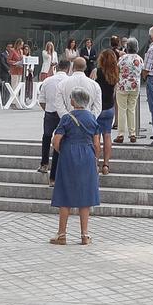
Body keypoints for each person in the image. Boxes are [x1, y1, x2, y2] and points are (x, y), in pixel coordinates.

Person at [49, 89, 104, 246]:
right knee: (85, 194)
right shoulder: (92, 119)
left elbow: (56, 140)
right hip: (87, 154)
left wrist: (63, 150)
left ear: (73, 101)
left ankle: (61, 234)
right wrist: (95, 159)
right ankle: (85, 235)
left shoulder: (66, 118)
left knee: (65, 193)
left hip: (69, 154)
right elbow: (96, 144)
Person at [38, 59, 72, 175]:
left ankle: (44, 164)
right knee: (60, 140)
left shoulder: (47, 81)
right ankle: (56, 169)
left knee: (46, 137)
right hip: (64, 114)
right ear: (68, 68)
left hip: (50, 112)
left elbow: (41, 100)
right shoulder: (69, 81)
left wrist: (47, 109)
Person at [95, 41, 119, 173]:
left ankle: (96, 163)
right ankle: (106, 164)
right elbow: (115, 91)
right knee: (107, 136)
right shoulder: (115, 73)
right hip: (109, 107)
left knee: (96, 136)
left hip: (98, 107)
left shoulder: (97, 71)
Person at [114, 38, 144, 144]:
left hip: (123, 85)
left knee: (122, 109)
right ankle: (132, 134)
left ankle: (121, 134)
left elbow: (117, 70)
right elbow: (141, 71)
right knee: (131, 109)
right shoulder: (139, 59)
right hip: (135, 85)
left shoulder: (122, 58)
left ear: (127, 47)